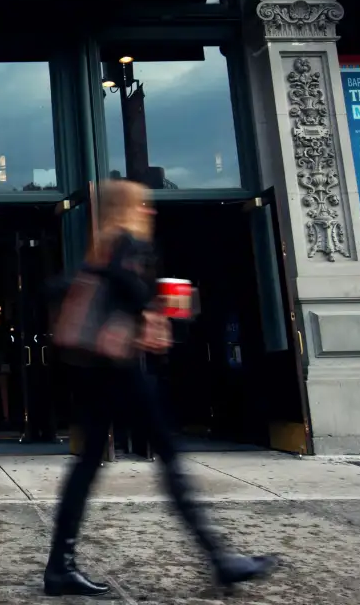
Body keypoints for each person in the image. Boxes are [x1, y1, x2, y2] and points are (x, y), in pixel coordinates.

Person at [44, 180, 278, 598]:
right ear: (127, 208)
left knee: (89, 465)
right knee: (167, 455)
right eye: (143, 204)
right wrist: (152, 311)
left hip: (97, 370)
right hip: (118, 368)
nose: (150, 211)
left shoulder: (99, 248)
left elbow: (59, 289)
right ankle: (219, 559)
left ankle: (60, 566)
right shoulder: (124, 242)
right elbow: (123, 282)